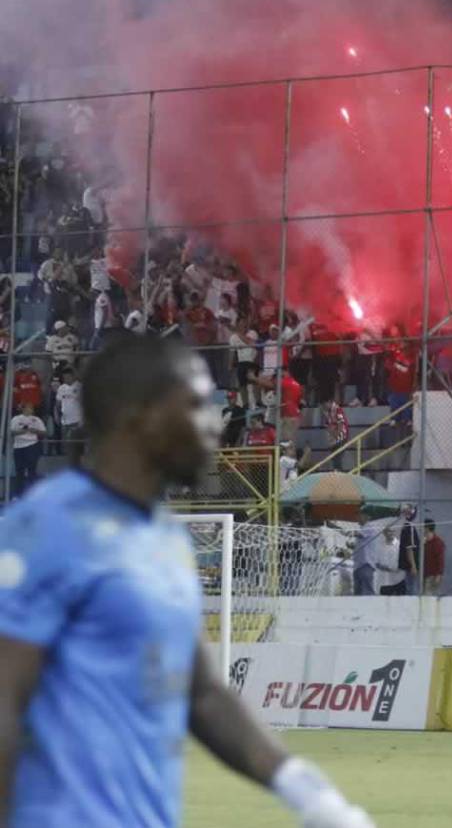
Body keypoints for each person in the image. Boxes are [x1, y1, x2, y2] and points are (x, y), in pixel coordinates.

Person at [0, 334, 374, 826]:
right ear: (140, 416)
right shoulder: (46, 528)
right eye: (197, 405)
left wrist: (309, 794)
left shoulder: (167, 538)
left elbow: (202, 693)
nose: (214, 424)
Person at [9, 402, 47, 496]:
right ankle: (18, 494)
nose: (30, 410)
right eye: (28, 408)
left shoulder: (37, 419)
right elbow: (12, 432)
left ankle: (32, 494)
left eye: (32, 408)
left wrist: (35, 431)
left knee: (31, 470)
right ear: (23, 409)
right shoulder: (16, 419)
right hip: (19, 446)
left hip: (32, 445)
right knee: (19, 471)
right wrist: (25, 431)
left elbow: (44, 432)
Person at [55, 367, 85, 466]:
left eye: (68, 376)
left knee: (77, 444)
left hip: (77, 420)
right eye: (64, 377)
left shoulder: (79, 387)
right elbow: (58, 404)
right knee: (66, 444)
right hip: (65, 420)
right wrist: (57, 415)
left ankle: (79, 464)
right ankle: (68, 465)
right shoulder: (61, 388)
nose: (66, 379)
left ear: (72, 376)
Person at [422, 521, 445, 595]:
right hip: (425, 575)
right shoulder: (425, 542)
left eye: (423, 527)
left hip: (433, 576)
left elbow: (441, 560)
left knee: (429, 597)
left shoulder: (438, 543)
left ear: (427, 529)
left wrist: (438, 575)